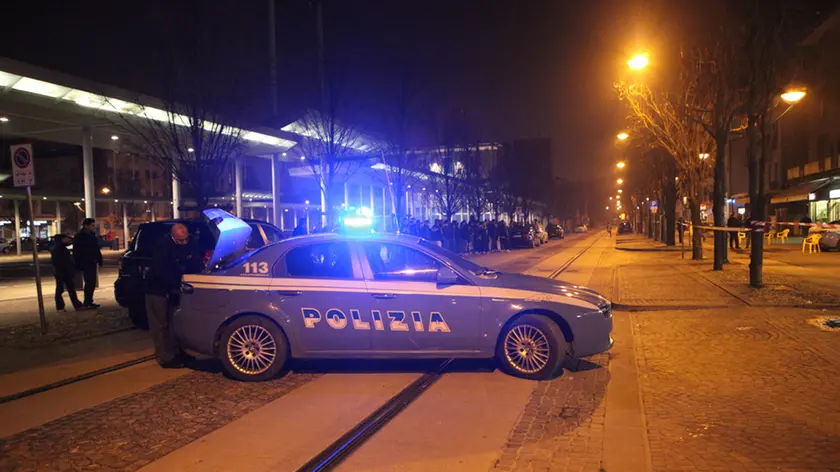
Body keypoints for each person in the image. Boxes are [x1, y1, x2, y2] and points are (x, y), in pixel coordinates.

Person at [145, 223, 192, 368]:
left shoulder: (179, 246)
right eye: (181, 240)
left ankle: (176, 352)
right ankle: (165, 357)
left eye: (185, 239)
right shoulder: (163, 248)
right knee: (160, 326)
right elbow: (162, 272)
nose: (184, 243)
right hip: (157, 290)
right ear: (173, 236)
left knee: (172, 324)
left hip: (169, 290)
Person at [50, 234, 85, 312]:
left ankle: (76, 305)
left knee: (70, 289)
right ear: (61, 240)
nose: (67, 240)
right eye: (65, 239)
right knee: (60, 290)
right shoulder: (58, 250)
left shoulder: (62, 248)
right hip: (61, 272)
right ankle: (61, 306)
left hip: (65, 272)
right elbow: (57, 262)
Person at [73, 218, 103, 308]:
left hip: (92, 261)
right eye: (92, 225)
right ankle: (87, 302)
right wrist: (79, 262)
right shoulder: (80, 236)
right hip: (86, 262)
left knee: (91, 282)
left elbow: (96, 248)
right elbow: (77, 251)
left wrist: (99, 259)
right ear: (86, 226)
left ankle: (89, 301)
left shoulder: (92, 235)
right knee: (89, 282)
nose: (94, 227)